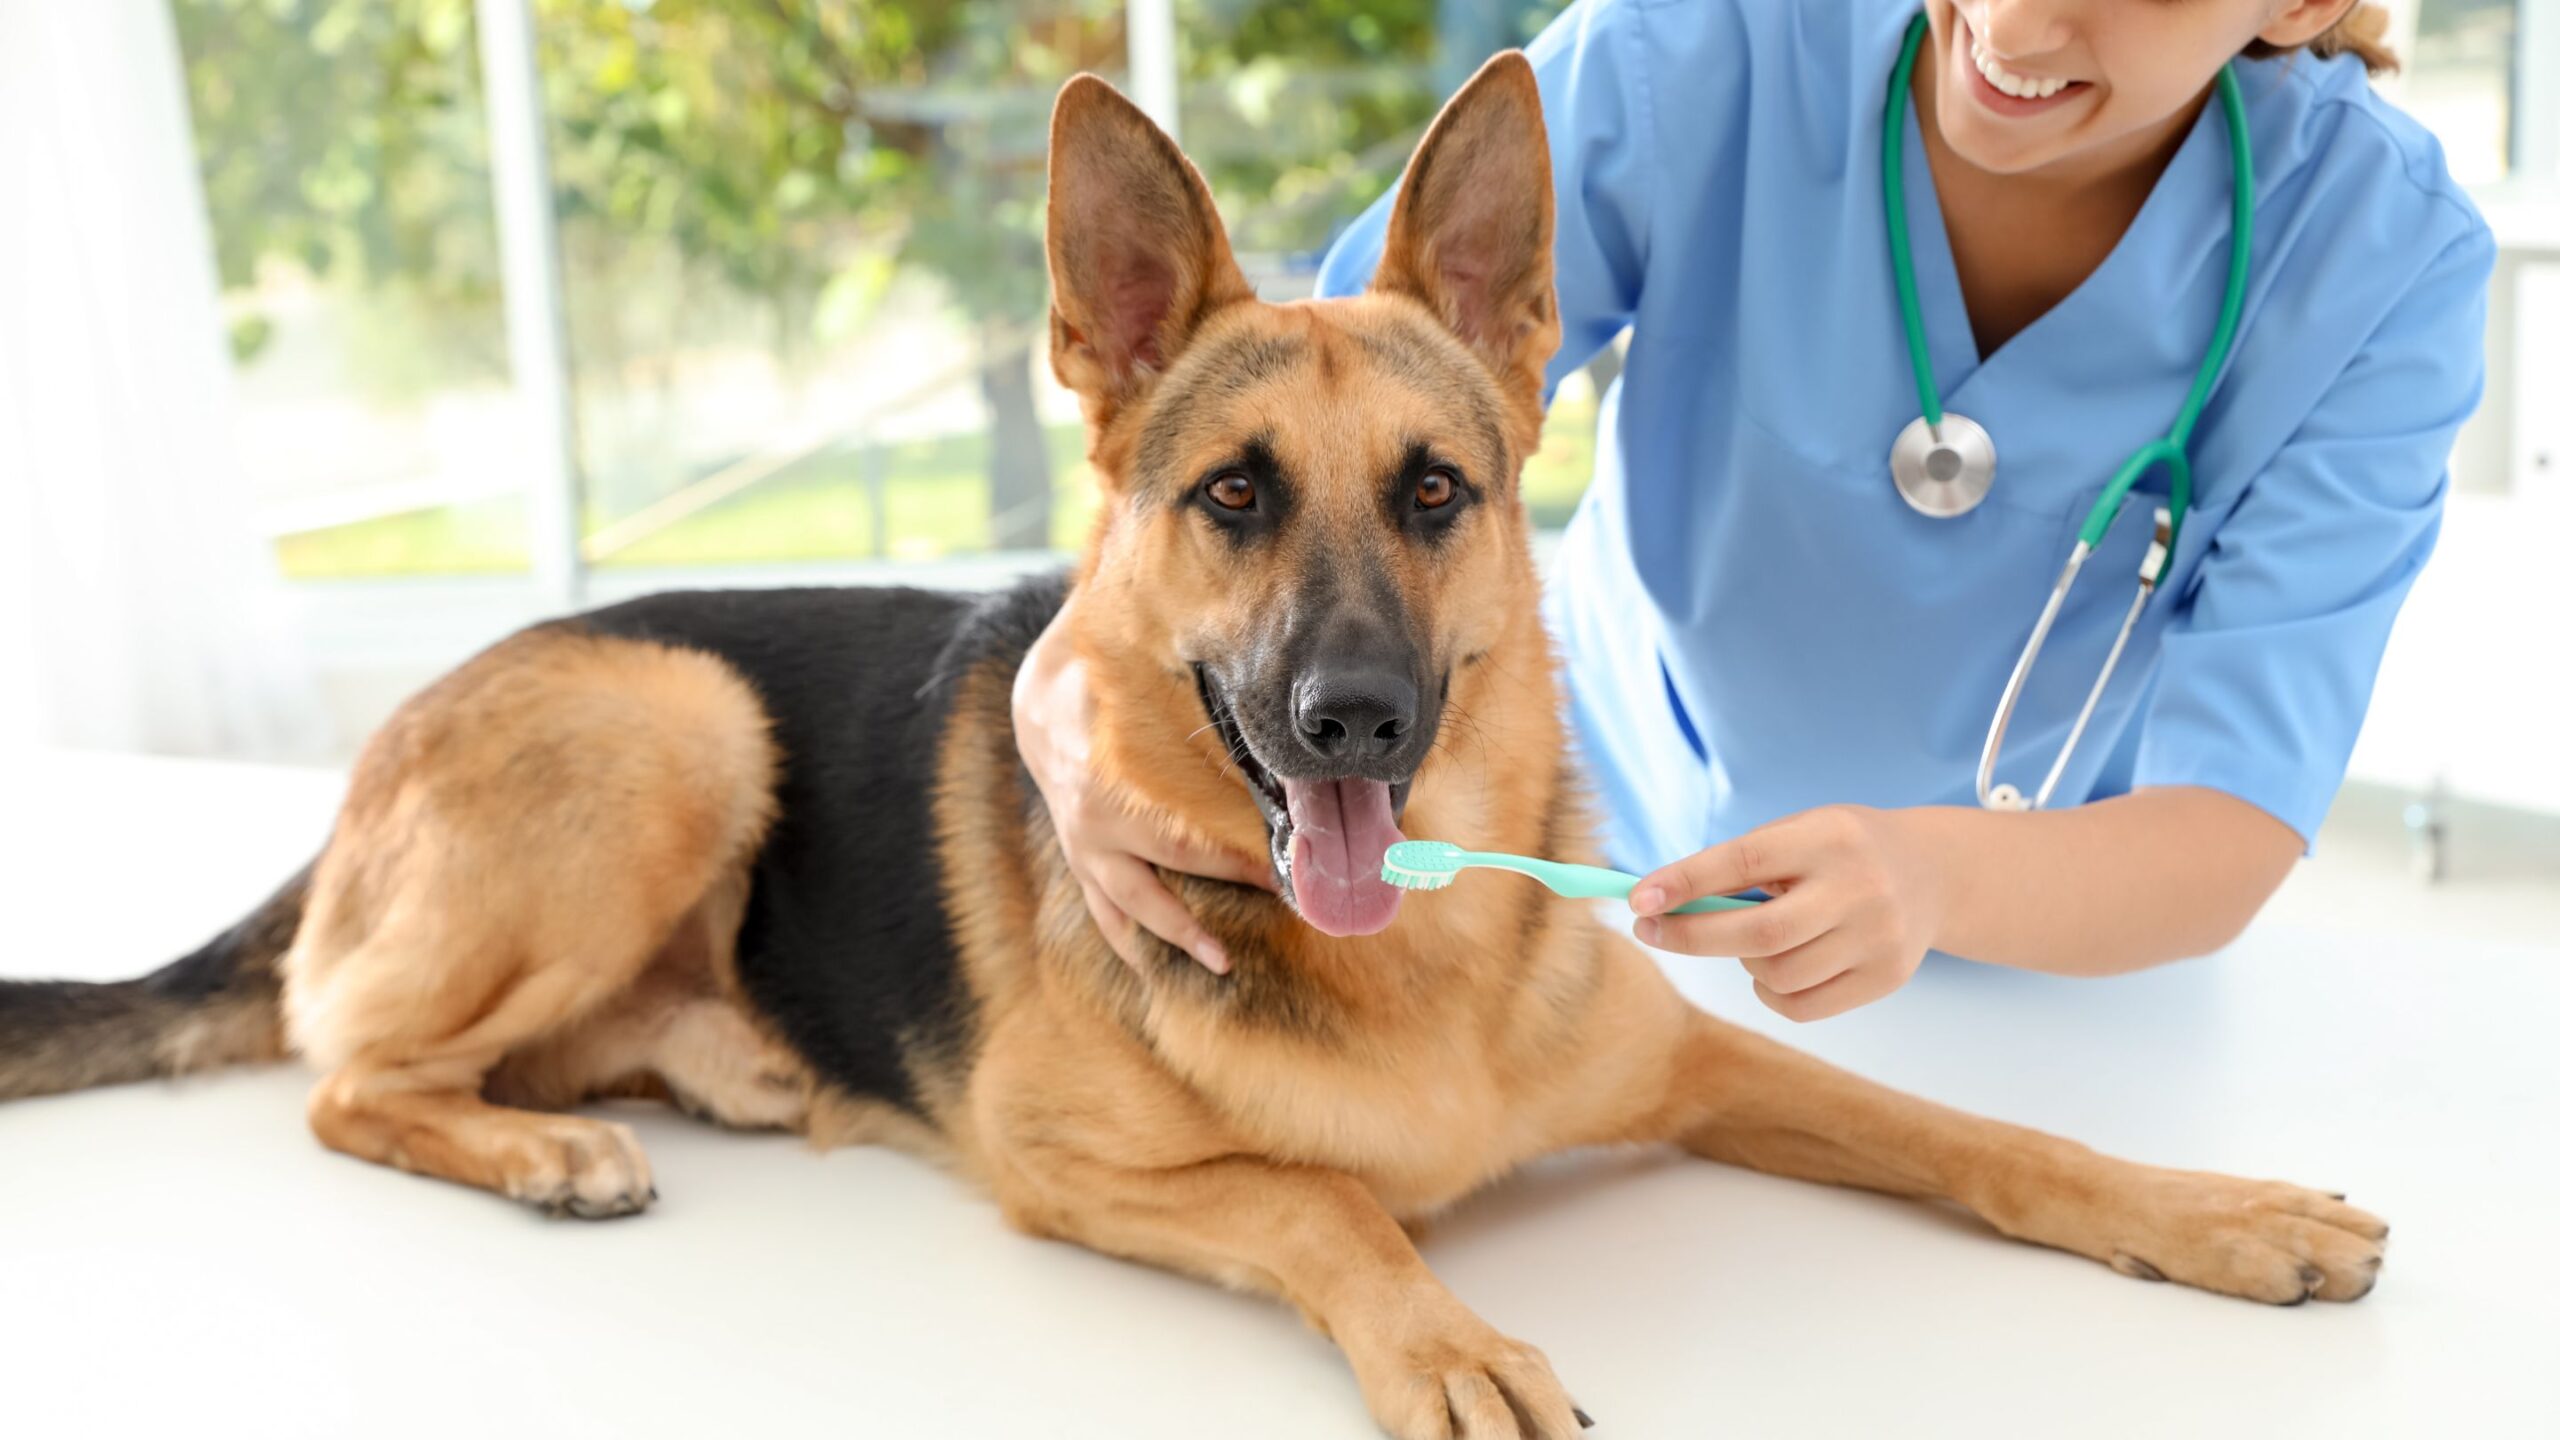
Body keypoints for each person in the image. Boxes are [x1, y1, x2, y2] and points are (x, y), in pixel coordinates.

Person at [1011, 0, 2494, 1020]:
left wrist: (1927, 877)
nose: (2021, 27)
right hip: (1589, 888)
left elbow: (2227, 824)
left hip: (2065, 968)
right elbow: (1302, 402)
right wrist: (1056, 684)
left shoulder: (2379, 262)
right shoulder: (1711, 41)